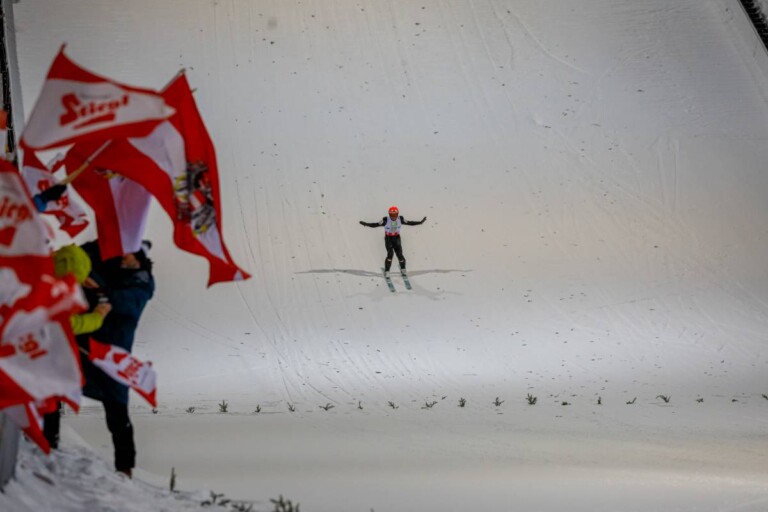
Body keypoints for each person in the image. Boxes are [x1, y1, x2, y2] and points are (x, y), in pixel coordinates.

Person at [77, 241, 155, 478]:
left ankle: (125, 468)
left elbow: (124, 302)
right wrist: (105, 240)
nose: (124, 255)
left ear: (138, 258)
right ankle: (48, 441)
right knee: (55, 384)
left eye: (129, 252)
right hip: (83, 341)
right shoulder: (110, 267)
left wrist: (99, 290)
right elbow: (82, 257)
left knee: (117, 410)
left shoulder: (142, 281)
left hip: (113, 351)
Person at [42, 244, 112, 449]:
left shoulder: (38, 273)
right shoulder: (57, 294)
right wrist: (98, 317)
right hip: (43, 357)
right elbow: (70, 324)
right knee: (50, 400)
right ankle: (47, 442)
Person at [360, 206, 427, 276]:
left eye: (395, 215)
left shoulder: (400, 219)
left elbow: (410, 223)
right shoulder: (385, 220)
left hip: (397, 238)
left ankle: (403, 268)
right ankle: (387, 271)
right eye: (392, 215)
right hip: (388, 238)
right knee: (390, 254)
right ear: (389, 214)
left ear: (397, 214)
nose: (394, 217)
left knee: (400, 255)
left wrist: (420, 222)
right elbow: (375, 225)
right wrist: (366, 224)